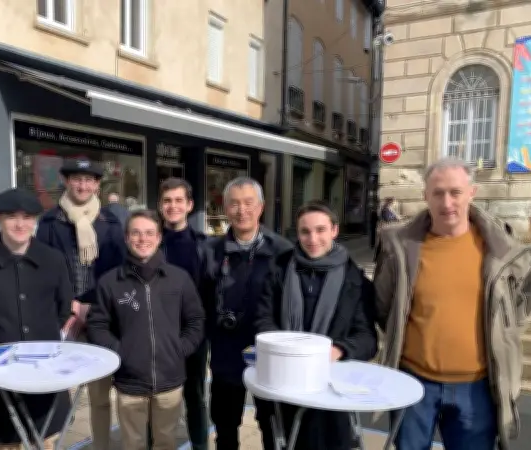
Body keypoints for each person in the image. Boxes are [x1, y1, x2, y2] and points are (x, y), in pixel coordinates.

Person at [374, 158, 531, 450]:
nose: (447, 203)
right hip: (413, 382)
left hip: (477, 389)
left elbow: (521, 306)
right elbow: (383, 306)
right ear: (425, 195)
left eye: (455, 192)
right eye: (438, 193)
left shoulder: (501, 249)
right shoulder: (400, 246)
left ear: (472, 192)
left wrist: (501, 335)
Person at [256, 200, 378, 450]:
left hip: (330, 392)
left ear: (334, 230)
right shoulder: (279, 269)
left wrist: (339, 350)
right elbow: (263, 319)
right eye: (305, 231)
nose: (312, 239)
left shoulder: (355, 280)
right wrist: (287, 351)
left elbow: (367, 338)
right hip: (285, 384)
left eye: (320, 230)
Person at [0, 188, 73, 450]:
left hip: (43, 368)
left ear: (35, 220)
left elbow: (62, 307)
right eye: (12, 217)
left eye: (27, 217)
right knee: (6, 442)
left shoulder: (53, 260)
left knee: (44, 439)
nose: (20, 224)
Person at [88, 209, 205, 450]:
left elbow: (195, 320)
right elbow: (97, 325)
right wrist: (121, 351)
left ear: (159, 238)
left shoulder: (179, 279)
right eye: (136, 233)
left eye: (150, 233)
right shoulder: (111, 282)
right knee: (133, 444)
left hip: (170, 380)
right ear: (126, 238)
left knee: (165, 442)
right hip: (130, 383)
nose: (143, 239)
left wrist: (179, 349)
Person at [35, 158, 125, 450]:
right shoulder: (49, 222)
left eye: (89, 180)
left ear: (97, 185)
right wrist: (71, 306)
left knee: (99, 395)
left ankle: (100, 445)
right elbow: (42, 272)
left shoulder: (111, 223)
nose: (83, 185)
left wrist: (94, 308)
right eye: (77, 179)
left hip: (100, 317)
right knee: (52, 390)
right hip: (62, 316)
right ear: (66, 181)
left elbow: (118, 274)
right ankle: (48, 443)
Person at [201, 177, 292, 450]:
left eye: (249, 203)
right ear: (225, 209)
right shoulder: (210, 251)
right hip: (225, 352)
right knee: (225, 426)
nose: (242, 210)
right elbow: (200, 301)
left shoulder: (283, 251)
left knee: (272, 426)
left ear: (261, 207)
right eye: (234, 204)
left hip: (269, 353)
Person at [158, 178, 210, 450]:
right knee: (156, 397)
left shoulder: (204, 246)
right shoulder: (150, 243)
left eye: (179, 200)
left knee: (195, 396)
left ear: (189, 205)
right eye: (167, 201)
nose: (173, 206)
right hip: (156, 334)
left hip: (193, 334)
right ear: (160, 205)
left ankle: (200, 445)